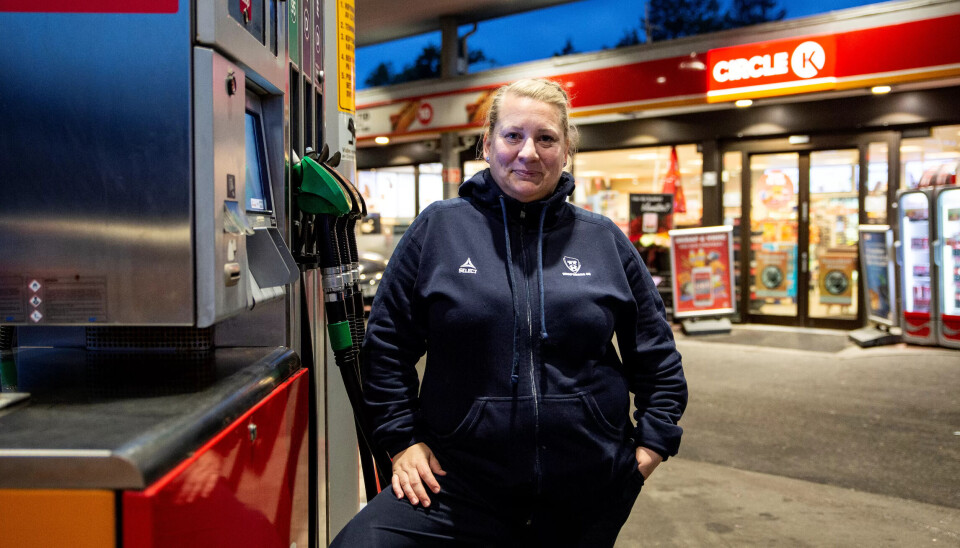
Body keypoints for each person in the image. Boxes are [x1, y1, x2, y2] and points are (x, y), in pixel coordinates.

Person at [331, 78, 687, 547]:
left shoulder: (603, 240)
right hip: (456, 483)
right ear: (487, 144)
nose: (528, 153)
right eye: (513, 136)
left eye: (546, 139)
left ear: (566, 150)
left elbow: (657, 357)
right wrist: (402, 442)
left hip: (585, 488)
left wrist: (650, 448)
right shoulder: (439, 230)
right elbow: (386, 350)